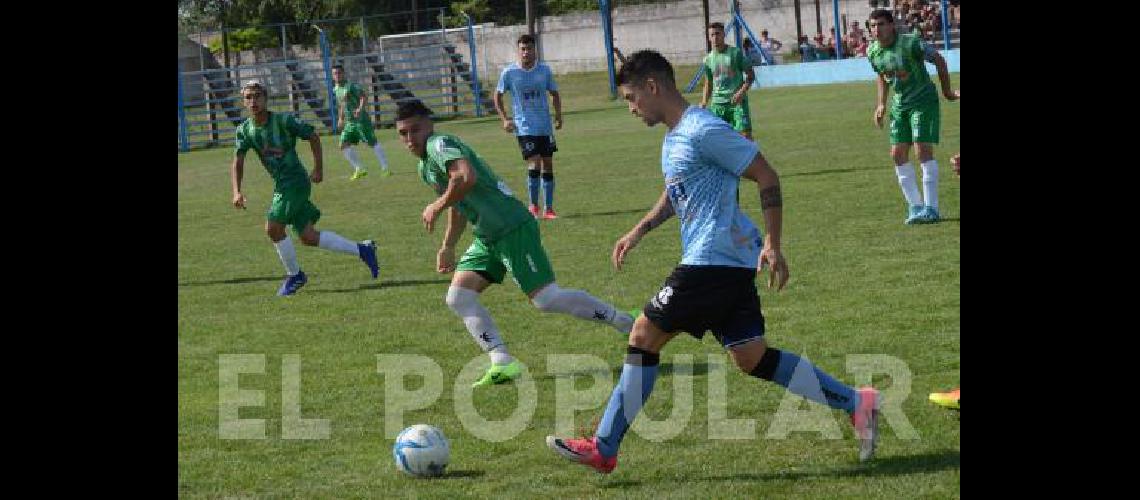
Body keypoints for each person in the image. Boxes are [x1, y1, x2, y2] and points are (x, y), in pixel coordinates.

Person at [544, 50, 881, 474]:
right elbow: (676, 193)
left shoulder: (704, 128)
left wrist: (774, 243)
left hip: (712, 259)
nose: (630, 108)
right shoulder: (673, 136)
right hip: (728, 261)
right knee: (752, 358)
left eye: (631, 97)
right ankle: (857, 403)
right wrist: (639, 230)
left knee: (643, 335)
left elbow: (766, 174)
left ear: (653, 87)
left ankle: (604, 447)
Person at [393, 100, 635, 387]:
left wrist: (437, 204)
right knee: (459, 298)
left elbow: (465, 177)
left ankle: (623, 320)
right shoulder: (425, 168)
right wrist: (448, 245)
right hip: (488, 236)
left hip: (511, 227)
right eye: (403, 134)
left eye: (415, 130)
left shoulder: (439, 144)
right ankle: (502, 362)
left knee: (546, 299)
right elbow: (458, 201)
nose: (410, 139)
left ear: (429, 126)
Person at [230, 81, 379, 296]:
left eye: (257, 96)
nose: (253, 101)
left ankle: (295, 275)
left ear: (266, 98)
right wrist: (236, 190)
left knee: (273, 228)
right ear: (244, 102)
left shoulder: (283, 120)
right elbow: (238, 160)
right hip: (281, 184)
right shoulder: (244, 130)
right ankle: (363, 250)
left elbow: (312, 135)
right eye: (248, 97)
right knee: (308, 237)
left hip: (295, 182)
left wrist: (318, 168)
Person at [867, 9, 959, 224]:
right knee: (897, 154)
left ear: (891, 25)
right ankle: (915, 207)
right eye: (872, 26)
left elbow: (939, 60)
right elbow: (882, 75)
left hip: (923, 101)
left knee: (922, 150)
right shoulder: (872, 51)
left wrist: (947, 91)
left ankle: (932, 208)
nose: (876, 30)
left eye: (881, 24)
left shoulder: (911, 43)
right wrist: (881, 103)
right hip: (900, 106)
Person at [494, 34, 563, 220]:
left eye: (529, 48)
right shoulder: (509, 73)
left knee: (548, 164)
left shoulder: (544, 71)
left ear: (535, 50)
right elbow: (497, 96)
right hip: (524, 127)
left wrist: (558, 116)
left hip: (544, 127)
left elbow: (555, 93)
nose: (526, 52)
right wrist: (505, 119)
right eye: (523, 49)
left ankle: (548, 209)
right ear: (518, 51)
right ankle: (533, 207)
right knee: (535, 162)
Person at [332, 64, 391, 180]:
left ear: (343, 74)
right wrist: (340, 118)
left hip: (361, 121)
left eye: (339, 73)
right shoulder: (336, 89)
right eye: (335, 73)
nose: (337, 75)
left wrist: (360, 109)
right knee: (343, 144)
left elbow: (363, 96)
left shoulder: (351, 86)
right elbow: (342, 105)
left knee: (372, 142)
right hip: (350, 123)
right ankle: (359, 169)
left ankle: (385, 168)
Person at [699, 22, 756, 140]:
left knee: (746, 138)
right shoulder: (707, 60)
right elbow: (708, 82)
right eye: (712, 35)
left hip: (737, 104)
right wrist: (704, 102)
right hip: (717, 105)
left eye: (717, 34)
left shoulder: (736, 53)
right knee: (720, 141)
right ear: (709, 38)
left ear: (724, 34)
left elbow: (751, 75)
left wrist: (741, 92)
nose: (715, 37)